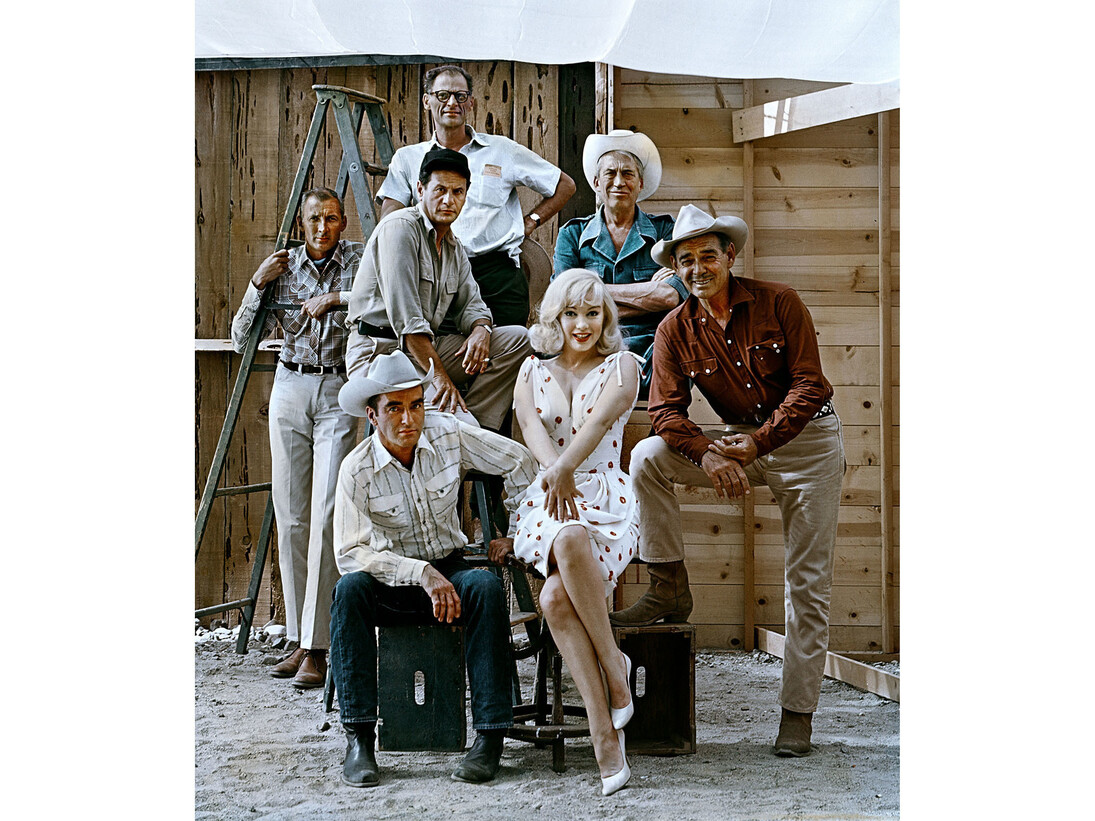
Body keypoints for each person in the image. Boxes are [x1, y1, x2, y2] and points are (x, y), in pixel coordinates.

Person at [611, 204, 846, 758]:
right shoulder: (674, 329)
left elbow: (811, 385)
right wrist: (711, 455)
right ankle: (669, 584)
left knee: (806, 586)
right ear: (676, 268)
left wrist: (760, 443)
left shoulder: (779, 302)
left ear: (730, 257)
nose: (697, 268)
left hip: (807, 441)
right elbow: (666, 413)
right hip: (736, 441)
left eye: (708, 256)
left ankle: (796, 716)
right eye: (686, 260)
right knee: (647, 457)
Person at [329, 350, 539, 788]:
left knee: (484, 585)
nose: (408, 418)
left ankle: (490, 738)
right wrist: (418, 573)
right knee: (349, 591)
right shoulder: (357, 469)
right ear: (372, 415)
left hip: (450, 570)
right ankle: (360, 739)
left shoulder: (449, 435)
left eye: (416, 404)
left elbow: (520, 462)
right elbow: (351, 552)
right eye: (394, 408)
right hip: (392, 583)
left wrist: (518, 532)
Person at [491, 269, 641, 796]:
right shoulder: (532, 369)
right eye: (572, 313)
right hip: (547, 495)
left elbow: (600, 425)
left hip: (606, 496)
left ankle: (608, 711)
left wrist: (563, 472)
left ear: (606, 317)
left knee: (558, 592)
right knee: (562, 553)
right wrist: (553, 473)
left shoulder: (624, 366)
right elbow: (530, 427)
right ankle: (609, 705)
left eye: (593, 313)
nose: (582, 324)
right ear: (555, 315)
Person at [230, 187, 362, 689]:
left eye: (331, 219)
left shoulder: (357, 260)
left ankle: (318, 646)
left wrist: (335, 298)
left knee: (328, 511)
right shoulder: (283, 266)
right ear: (301, 224)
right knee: (291, 516)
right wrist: (255, 283)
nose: (322, 227)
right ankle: (298, 640)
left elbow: (379, 301)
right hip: (290, 383)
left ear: (342, 223)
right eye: (313, 219)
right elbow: (242, 336)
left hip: (337, 386)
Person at [346, 147, 532, 433]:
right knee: (454, 425)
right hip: (380, 353)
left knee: (519, 339)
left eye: (458, 192)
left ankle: (475, 427)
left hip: (423, 354)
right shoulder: (400, 228)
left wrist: (481, 328)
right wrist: (442, 381)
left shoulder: (453, 246)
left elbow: (473, 304)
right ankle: (463, 429)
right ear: (420, 189)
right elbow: (408, 326)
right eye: (440, 190)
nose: (449, 200)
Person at [377, 64, 576, 327]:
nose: (452, 103)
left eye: (460, 96)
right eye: (443, 95)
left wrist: (531, 222)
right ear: (426, 101)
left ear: (470, 102)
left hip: (497, 275)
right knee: (440, 355)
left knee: (507, 351)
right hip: (435, 272)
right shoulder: (408, 158)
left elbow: (565, 185)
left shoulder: (501, 150)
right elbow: (391, 218)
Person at [553, 130, 688, 395]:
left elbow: (671, 296)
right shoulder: (572, 234)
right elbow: (564, 300)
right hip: (589, 344)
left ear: (640, 183)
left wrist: (590, 294)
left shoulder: (666, 232)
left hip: (652, 349)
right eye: (610, 173)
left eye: (627, 174)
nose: (619, 182)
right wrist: (648, 292)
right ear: (596, 182)